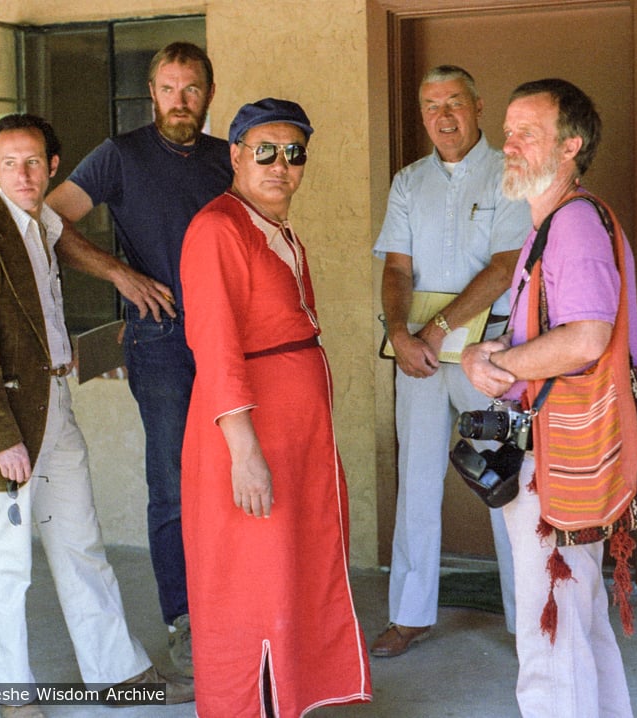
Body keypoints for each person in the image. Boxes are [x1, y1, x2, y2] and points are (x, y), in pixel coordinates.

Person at [0, 114, 194, 718]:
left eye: (34, 162)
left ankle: (116, 672)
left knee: (81, 544)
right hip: (5, 422)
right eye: (10, 164)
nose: (23, 174)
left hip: (57, 407)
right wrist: (0, 437)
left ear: (53, 167)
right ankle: (12, 693)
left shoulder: (46, 225)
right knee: (5, 562)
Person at [179, 98, 372, 717]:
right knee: (252, 582)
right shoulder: (218, 228)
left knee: (292, 569)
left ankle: (292, 697)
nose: (279, 165)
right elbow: (216, 348)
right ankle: (250, 704)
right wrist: (244, 453)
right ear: (234, 155)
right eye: (264, 150)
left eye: (293, 153)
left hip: (294, 435)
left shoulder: (273, 227)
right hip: (249, 436)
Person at [44, 41, 232, 676]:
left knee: (239, 472)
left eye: (193, 89)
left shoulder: (226, 157)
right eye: (169, 88)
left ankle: (233, 607)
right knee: (174, 484)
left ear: (209, 93)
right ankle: (184, 620)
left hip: (230, 336)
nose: (181, 101)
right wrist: (119, 275)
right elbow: (50, 221)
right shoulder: (119, 155)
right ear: (151, 93)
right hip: (160, 338)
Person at [461, 79, 637, 718]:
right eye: (507, 132)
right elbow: (548, 332)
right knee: (577, 619)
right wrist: (492, 356)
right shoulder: (556, 223)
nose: (508, 145)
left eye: (526, 133)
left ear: (571, 145)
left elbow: (586, 336)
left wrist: (499, 363)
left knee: (548, 629)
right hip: (565, 449)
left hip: (560, 455)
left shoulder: (574, 226)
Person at [370, 64, 528, 657]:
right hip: (419, 359)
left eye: (454, 102)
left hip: (490, 357)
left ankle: (525, 619)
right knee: (415, 482)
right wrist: (399, 333)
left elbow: (504, 267)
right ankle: (410, 615)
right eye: (431, 105)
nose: (443, 116)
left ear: (478, 105)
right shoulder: (409, 181)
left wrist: (434, 330)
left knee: (505, 479)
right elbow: (396, 268)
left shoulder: (507, 173)